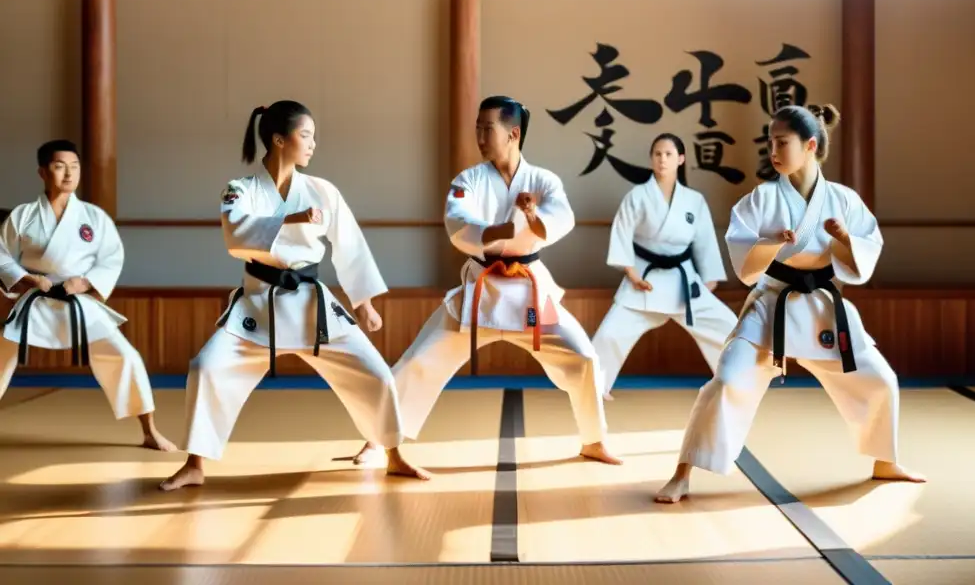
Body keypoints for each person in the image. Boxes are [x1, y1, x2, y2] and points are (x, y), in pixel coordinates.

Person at [655, 104, 925, 503]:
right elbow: (745, 260)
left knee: (880, 380)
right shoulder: (761, 199)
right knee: (727, 381)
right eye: (770, 143)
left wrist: (844, 239)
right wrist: (772, 243)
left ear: (810, 145)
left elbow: (866, 250)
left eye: (782, 142)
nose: (773, 152)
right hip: (771, 306)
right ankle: (683, 473)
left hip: (822, 306)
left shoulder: (843, 200)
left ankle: (885, 460)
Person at [159, 101, 429, 491]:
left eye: (314, 137)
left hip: (312, 307)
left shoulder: (322, 190)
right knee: (205, 367)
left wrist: (364, 302)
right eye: (306, 135)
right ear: (278, 139)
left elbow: (350, 246)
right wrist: (290, 219)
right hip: (258, 305)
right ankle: (195, 463)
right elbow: (235, 236)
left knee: (377, 375)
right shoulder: (240, 190)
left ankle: (394, 454)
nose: (313, 144)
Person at [355, 95, 621, 467]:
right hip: (481, 289)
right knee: (418, 360)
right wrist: (509, 226)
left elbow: (560, 220)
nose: (479, 136)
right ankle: (377, 439)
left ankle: (594, 440)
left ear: (513, 134)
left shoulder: (543, 180)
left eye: (487, 128)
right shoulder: (469, 180)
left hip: (529, 288)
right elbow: (458, 225)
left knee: (584, 358)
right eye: (477, 127)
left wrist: (531, 216)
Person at [0, 140, 174, 451]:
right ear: (42, 171)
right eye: (59, 166)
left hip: (78, 302)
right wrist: (27, 278)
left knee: (126, 357)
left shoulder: (93, 217)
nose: (68, 173)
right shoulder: (23, 216)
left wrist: (84, 283)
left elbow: (111, 257)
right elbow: (2, 256)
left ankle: (149, 431)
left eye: (74, 166)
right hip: (36, 302)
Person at [591, 134, 737, 398]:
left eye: (669, 154)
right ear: (651, 159)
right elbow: (622, 235)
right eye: (657, 154)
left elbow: (705, 242)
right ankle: (592, 389)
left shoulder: (694, 200)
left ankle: (736, 382)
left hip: (684, 283)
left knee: (727, 326)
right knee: (609, 334)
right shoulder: (637, 196)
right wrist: (633, 275)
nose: (662, 159)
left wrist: (709, 282)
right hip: (644, 280)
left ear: (681, 159)